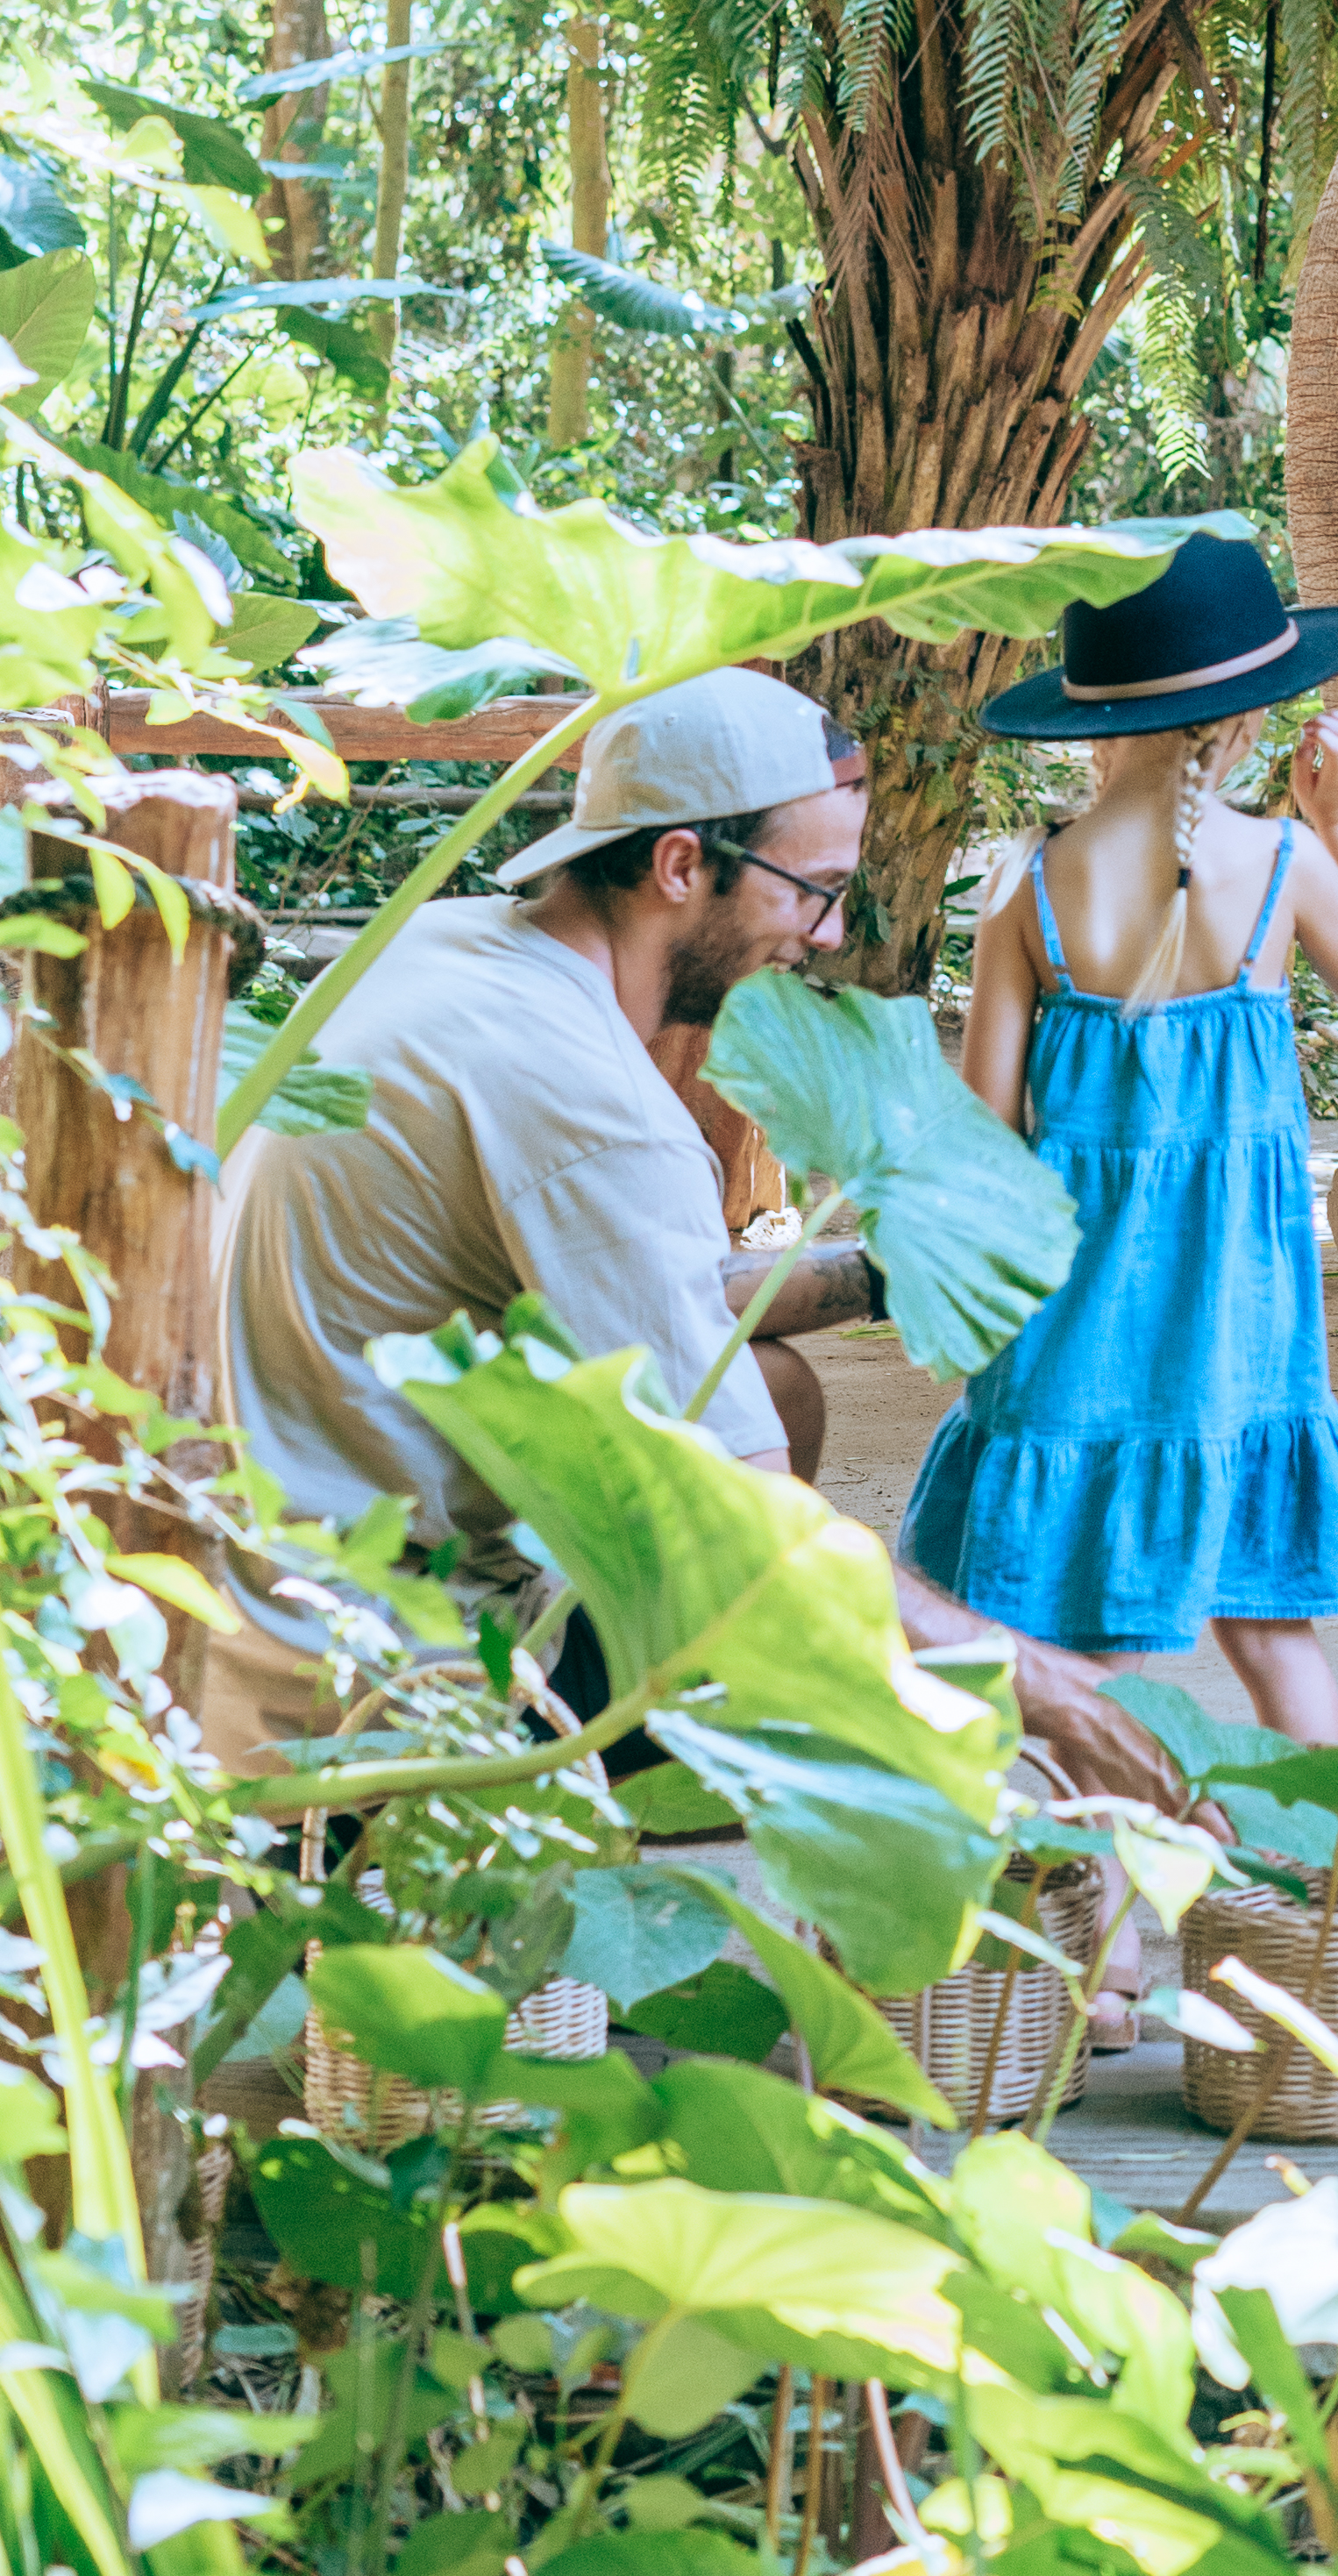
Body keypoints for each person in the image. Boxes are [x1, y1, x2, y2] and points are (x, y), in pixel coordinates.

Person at [211, 668, 1177, 1814]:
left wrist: (881, 1270)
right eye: (810, 891)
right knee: (819, 1631)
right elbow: (757, 1538)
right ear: (680, 865)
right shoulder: (591, 1097)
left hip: (257, 1569)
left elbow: (637, 1288)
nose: (822, 935)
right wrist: (1052, 1693)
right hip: (369, 1667)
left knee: (772, 1389)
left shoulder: (454, 943)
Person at [900, 530, 1338, 1743]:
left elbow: (984, 1138)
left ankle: (1087, 1901)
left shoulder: (1025, 887)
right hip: (1238, 1325)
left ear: (1090, 723)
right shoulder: (1284, 863)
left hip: (1068, 1328)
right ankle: (1316, 1904)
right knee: (1270, 1633)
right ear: (1243, 723)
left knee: (1046, 1633)